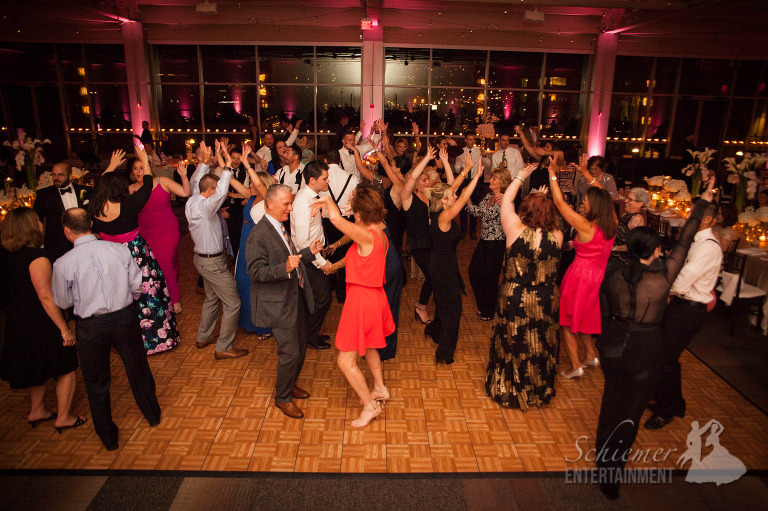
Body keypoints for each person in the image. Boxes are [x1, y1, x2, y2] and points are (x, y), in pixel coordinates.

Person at [595, 179, 715, 500]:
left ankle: (602, 465)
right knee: (630, 415)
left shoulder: (613, 275)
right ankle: (612, 474)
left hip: (614, 348)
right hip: (645, 352)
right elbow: (687, 238)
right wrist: (702, 201)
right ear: (656, 250)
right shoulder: (662, 278)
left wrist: (606, 343)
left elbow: (604, 317)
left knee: (610, 406)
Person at [52, 208, 161, 451]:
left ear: (67, 231)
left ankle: (108, 438)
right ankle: (153, 415)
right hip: (124, 317)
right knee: (138, 368)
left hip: (91, 325)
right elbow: (137, 284)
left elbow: (62, 302)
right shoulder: (117, 249)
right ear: (91, 223)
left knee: (96, 381)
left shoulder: (62, 264)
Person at [310, 186, 394, 427]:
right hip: (374, 297)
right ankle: (379, 388)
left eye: (353, 206)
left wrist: (327, 199)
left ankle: (370, 406)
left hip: (361, 301)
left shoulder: (365, 234)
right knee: (369, 346)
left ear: (359, 213)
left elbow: (335, 218)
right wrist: (355, 210)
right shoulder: (378, 231)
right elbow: (357, 253)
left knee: (344, 362)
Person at [0, 207, 85, 432]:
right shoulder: (37, 258)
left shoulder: (5, 255)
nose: (42, 224)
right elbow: (46, 297)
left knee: (34, 366)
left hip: (17, 320)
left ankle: (37, 410)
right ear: (31, 227)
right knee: (66, 366)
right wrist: (65, 330)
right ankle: (64, 416)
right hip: (40, 320)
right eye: (38, 220)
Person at [486, 163, 562, 409]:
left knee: (511, 340)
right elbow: (550, 217)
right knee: (540, 341)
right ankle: (537, 389)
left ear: (524, 211)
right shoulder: (558, 236)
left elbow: (506, 202)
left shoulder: (515, 230)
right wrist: (543, 200)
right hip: (544, 296)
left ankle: (509, 386)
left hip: (515, 294)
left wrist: (519, 177)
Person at [91, 147, 179, 356]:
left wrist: (111, 167)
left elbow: (96, 190)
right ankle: (156, 341)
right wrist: (145, 163)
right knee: (149, 296)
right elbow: (147, 184)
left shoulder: (95, 208)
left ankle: (123, 344)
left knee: (120, 300)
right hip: (136, 259)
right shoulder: (128, 206)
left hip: (109, 259)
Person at [644, 192, 721, 431]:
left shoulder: (707, 248)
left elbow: (681, 282)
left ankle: (668, 408)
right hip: (681, 306)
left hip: (690, 309)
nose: (688, 218)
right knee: (666, 357)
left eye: (692, 215)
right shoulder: (698, 242)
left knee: (665, 358)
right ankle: (674, 403)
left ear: (706, 221)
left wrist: (661, 287)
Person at [246, 184, 322, 419]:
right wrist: (283, 268)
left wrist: (308, 252)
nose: (290, 208)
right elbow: (255, 272)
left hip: (292, 297)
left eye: (291, 203)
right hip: (277, 303)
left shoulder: (278, 226)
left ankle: (288, 385)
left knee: (300, 347)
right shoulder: (259, 234)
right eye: (286, 204)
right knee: (290, 352)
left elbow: (290, 258)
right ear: (269, 204)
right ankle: (283, 397)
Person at [548, 155, 617, 379]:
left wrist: (552, 173)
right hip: (597, 277)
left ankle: (575, 365)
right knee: (583, 316)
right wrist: (587, 174)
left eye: (586, 201)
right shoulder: (611, 223)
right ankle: (590, 354)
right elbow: (605, 196)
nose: (583, 203)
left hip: (579, 276)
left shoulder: (586, 227)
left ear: (594, 205)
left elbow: (559, 203)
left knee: (567, 321)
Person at [185, 141, 247, 360]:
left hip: (202, 260)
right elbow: (221, 193)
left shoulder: (193, 199)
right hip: (212, 262)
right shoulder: (206, 205)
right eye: (215, 189)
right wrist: (228, 166)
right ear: (209, 191)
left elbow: (196, 182)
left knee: (212, 299)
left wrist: (203, 163)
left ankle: (203, 336)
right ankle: (224, 346)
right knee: (233, 302)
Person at [116, 149, 191, 315]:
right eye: (135, 168)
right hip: (145, 232)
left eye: (142, 167)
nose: (138, 171)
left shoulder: (162, 181)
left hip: (167, 231)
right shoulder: (130, 190)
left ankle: (174, 299)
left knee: (164, 263)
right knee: (155, 265)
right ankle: (158, 293)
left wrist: (184, 176)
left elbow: (186, 192)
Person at [424, 160, 484, 364]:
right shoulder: (444, 216)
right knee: (454, 309)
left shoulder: (437, 209)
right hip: (442, 267)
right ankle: (444, 353)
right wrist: (476, 177)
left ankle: (434, 331)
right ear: (445, 201)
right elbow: (463, 197)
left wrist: (466, 170)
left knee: (443, 302)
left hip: (442, 263)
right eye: (452, 197)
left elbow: (454, 190)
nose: (455, 197)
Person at [291, 161, 333, 350]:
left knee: (321, 298)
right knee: (322, 299)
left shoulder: (313, 198)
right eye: (324, 178)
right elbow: (301, 242)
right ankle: (309, 336)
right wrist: (322, 262)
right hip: (309, 260)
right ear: (312, 180)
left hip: (316, 255)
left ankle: (311, 333)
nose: (328, 181)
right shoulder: (302, 203)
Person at [235, 169, 275, 339]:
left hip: (258, 244)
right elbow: (231, 180)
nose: (250, 185)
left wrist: (246, 163)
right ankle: (246, 321)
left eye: (252, 182)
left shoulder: (268, 200)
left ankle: (264, 327)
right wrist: (226, 162)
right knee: (242, 281)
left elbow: (258, 183)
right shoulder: (250, 196)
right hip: (245, 241)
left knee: (257, 285)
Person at [401, 146, 439, 324]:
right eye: (424, 180)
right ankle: (421, 306)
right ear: (415, 182)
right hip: (418, 244)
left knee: (435, 275)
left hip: (432, 242)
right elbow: (414, 176)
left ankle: (422, 304)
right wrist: (426, 158)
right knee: (432, 275)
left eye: (427, 179)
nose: (427, 182)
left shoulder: (429, 196)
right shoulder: (408, 198)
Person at [467, 167, 511, 320]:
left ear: (503, 182)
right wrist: (466, 199)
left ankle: (489, 310)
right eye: (491, 178)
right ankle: (482, 305)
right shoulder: (488, 196)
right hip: (484, 240)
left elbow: (509, 219)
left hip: (497, 243)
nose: (490, 180)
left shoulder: (505, 199)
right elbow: (477, 212)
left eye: (494, 179)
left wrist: (504, 206)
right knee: (473, 272)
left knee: (490, 277)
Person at [320, 150, 359, 303]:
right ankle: (342, 294)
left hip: (327, 221)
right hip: (346, 220)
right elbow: (355, 201)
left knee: (327, 253)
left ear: (325, 161)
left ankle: (330, 287)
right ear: (340, 159)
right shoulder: (352, 178)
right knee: (345, 257)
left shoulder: (321, 178)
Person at [33, 162, 90, 263]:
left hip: (83, 242)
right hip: (56, 245)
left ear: (70, 176)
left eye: (60, 175)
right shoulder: (43, 195)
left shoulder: (85, 190)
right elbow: (36, 219)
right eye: (53, 174)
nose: (56, 178)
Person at [454, 131, 491, 239]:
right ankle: (463, 230)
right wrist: (459, 169)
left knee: (474, 205)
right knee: (463, 205)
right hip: (464, 180)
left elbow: (488, 164)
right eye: (470, 139)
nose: (472, 141)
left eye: (473, 139)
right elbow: (456, 166)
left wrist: (484, 155)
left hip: (475, 180)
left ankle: (473, 231)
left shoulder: (479, 151)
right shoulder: (461, 152)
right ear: (465, 140)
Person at [610, 186, 650, 266]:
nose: (625, 201)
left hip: (622, 261)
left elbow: (634, 246)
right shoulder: (626, 214)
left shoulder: (637, 220)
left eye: (630, 200)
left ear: (639, 204)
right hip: (613, 256)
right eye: (626, 198)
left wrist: (612, 248)